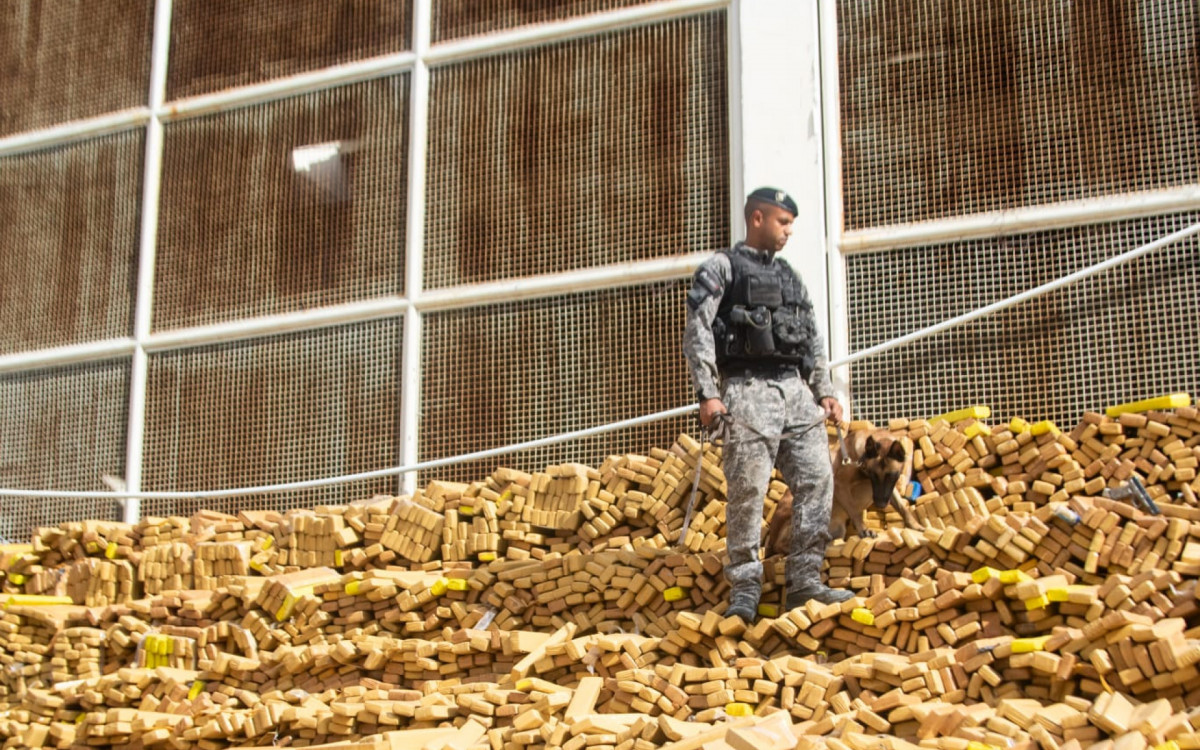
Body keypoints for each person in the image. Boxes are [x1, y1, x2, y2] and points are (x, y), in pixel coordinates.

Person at [682, 187, 853, 621]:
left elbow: (810, 337)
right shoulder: (720, 268)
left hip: (794, 389)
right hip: (746, 387)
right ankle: (744, 589)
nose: (788, 231)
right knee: (748, 491)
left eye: (791, 224)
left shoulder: (791, 275)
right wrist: (709, 394)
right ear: (757, 218)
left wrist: (825, 391)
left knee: (817, 479)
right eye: (783, 222)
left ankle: (805, 580)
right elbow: (698, 330)